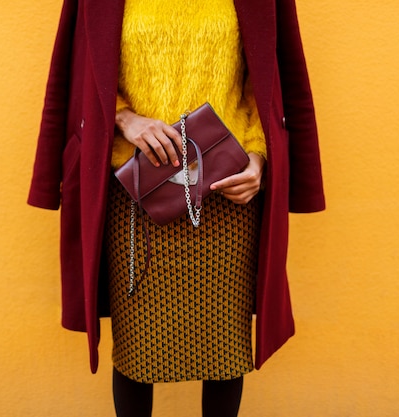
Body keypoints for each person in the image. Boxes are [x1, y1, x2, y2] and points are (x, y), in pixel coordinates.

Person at [28, 0, 325, 416]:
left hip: (226, 195)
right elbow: (75, 75)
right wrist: (124, 118)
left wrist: (258, 158)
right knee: (137, 352)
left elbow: (271, 79)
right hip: (135, 196)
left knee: (224, 351)